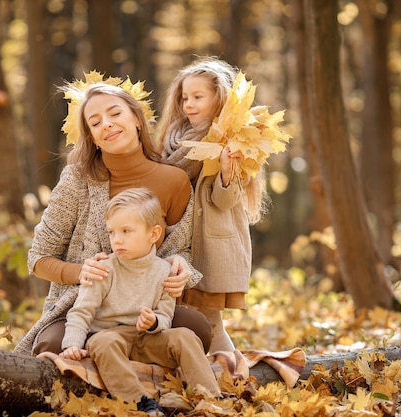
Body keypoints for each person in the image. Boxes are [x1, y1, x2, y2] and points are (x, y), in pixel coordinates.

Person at [13, 80, 213, 357]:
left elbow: (179, 251)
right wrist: (80, 272)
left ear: (137, 120)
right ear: (92, 138)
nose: (106, 124)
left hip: (144, 312)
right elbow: (38, 259)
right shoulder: (77, 180)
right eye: (95, 123)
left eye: (115, 114)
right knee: (49, 346)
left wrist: (180, 266)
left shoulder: (174, 180)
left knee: (199, 329)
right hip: (83, 311)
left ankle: (125, 365)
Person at [61, 187, 221, 415]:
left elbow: (166, 316)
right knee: (100, 343)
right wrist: (72, 344)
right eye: (112, 232)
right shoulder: (104, 269)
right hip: (112, 337)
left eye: (126, 231)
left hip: (149, 338)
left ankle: (211, 399)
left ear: (153, 234)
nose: (117, 240)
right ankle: (141, 404)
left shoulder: (166, 271)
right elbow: (81, 312)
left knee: (184, 336)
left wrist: (154, 321)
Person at [156, 57, 269, 353]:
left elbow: (224, 201)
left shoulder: (232, 142)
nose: (188, 105)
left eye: (197, 97)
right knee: (178, 314)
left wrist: (226, 171)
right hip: (177, 240)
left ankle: (232, 374)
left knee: (209, 319)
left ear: (219, 101)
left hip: (210, 244)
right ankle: (197, 368)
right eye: (184, 98)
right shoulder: (173, 140)